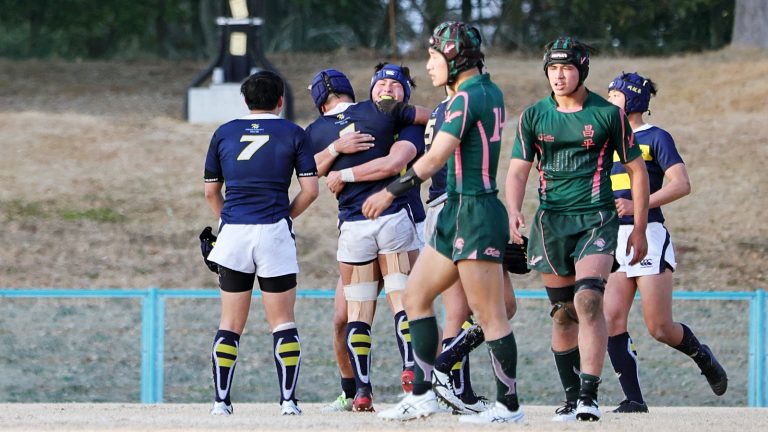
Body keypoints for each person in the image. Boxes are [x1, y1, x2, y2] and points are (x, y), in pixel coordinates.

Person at [364, 21, 524, 424]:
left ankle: (509, 407)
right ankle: (422, 396)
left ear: (455, 59)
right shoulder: (480, 91)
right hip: (455, 210)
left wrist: (389, 192)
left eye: (434, 55)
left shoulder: (467, 98)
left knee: (491, 315)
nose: (429, 64)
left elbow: (434, 159)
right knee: (415, 297)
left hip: (474, 210)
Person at [505, 36, 650, 422]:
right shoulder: (534, 115)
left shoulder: (607, 114)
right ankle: (570, 399)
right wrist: (513, 211)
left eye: (566, 68)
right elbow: (519, 169)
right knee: (562, 313)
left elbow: (637, 171)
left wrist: (638, 228)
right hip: (551, 222)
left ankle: (589, 396)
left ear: (581, 70)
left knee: (588, 299)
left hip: (597, 218)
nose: (559, 75)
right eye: (553, 69)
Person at [603, 72, 727, 413]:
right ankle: (633, 400)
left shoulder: (655, 137)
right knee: (611, 319)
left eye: (614, 95)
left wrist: (638, 205)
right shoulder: (604, 140)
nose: (608, 100)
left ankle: (701, 354)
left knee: (658, 327)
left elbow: (680, 183)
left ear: (633, 100)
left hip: (649, 233)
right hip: (612, 238)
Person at [305, 68, 427, 412]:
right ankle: (380, 382)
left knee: (360, 313)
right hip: (391, 221)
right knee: (392, 306)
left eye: (394, 84)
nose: (387, 89)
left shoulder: (313, 131)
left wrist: (338, 167)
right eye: (382, 84)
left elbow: (305, 172)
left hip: (366, 226)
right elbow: (441, 116)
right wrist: (335, 148)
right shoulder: (379, 112)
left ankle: (366, 389)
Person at [203, 70, 319, 416]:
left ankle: (221, 403)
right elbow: (310, 190)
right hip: (274, 232)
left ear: (245, 101)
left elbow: (211, 191)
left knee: (230, 323)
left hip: (235, 234)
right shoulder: (294, 133)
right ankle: (288, 402)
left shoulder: (224, 132)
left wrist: (228, 219)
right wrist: (285, 216)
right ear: (281, 101)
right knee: (283, 320)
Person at [423, 85, 521, 416]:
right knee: (460, 310)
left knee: (503, 307)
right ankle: (450, 387)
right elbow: (438, 160)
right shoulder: (463, 104)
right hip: (456, 208)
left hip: (469, 207)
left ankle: (447, 381)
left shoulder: (460, 103)